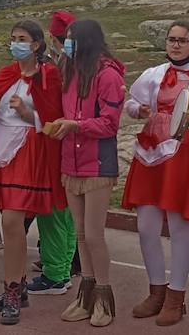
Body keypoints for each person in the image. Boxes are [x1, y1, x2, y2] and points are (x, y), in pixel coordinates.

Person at [122, 20, 189, 327]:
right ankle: (156, 291)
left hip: (182, 154)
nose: (176, 44)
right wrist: (136, 110)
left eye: (182, 40)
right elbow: (132, 102)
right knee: (146, 226)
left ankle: (176, 297)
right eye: (171, 39)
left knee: (179, 227)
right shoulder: (152, 74)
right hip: (150, 151)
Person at [0, 20, 70, 324]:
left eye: (21, 38)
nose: (15, 43)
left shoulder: (49, 76)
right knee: (10, 224)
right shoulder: (4, 74)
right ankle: (17, 288)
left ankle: (11, 289)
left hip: (30, 150)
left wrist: (27, 113)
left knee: (11, 220)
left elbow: (54, 118)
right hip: (2, 149)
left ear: (35, 45)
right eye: (12, 37)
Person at [51, 19, 124, 327]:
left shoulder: (108, 75)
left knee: (94, 234)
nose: (66, 44)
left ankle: (104, 300)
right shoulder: (68, 72)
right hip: (71, 163)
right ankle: (86, 293)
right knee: (80, 233)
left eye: (71, 39)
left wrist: (76, 126)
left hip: (97, 164)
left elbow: (110, 123)